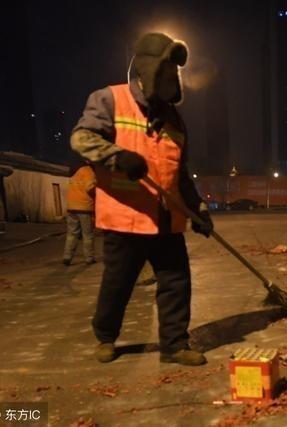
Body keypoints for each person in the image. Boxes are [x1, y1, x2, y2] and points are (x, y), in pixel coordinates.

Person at [70, 32, 213, 366]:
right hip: (126, 218)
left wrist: (199, 211)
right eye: (165, 71)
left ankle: (174, 345)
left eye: (173, 74)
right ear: (148, 71)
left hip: (166, 219)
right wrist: (117, 156)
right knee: (117, 286)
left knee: (176, 284)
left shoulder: (175, 119)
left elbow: (180, 174)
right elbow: (81, 138)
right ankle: (106, 337)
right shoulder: (109, 99)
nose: (171, 79)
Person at [63, 157, 96, 265]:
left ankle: (67, 257)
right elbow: (90, 188)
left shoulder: (73, 171)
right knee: (88, 235)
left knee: (72, 234)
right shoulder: (87, 170)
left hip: (71, 207)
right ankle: (89, 258)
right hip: (85, 207)